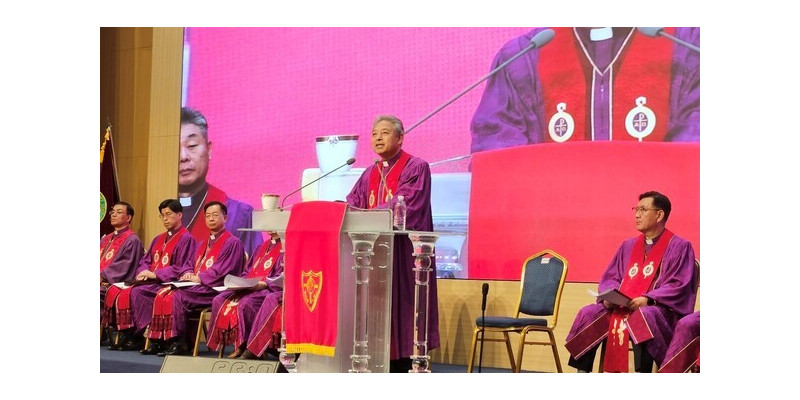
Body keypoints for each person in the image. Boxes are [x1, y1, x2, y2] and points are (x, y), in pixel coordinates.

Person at [471, 27, 700, 153]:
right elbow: (498, 162)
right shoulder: (524, 57)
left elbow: (693, 159)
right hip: (552, 222)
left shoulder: (690, 49)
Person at [564, 191, 697, 372]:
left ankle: (642, 374)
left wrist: (648, 299)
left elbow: (678, 284)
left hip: (657, 310)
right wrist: (610, 296)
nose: (637, 215)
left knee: (643, 316)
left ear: (659, 215)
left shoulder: (679, 246)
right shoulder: (628, 246)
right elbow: (611, 277)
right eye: (636, 209)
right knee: (588, 313)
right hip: (622, 306)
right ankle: (582, 373)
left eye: (643, 210)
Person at [346, 115, 440, 372]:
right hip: (370, 253)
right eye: (374, 133)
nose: (378, 137)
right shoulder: (369, 173)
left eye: (385, 132)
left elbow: (407, 205)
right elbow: (353, 203)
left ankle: (402, 361)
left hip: (403, 253)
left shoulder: (416, 167)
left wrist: (367, 215)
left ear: (400, 138)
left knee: (403, 306)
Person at [150, 201, 245, 356]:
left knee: (177, 295)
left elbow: (223, 270)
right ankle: (161, 340)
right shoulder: (203, 243)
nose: (211, 219)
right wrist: (188, 274)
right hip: (199, 287)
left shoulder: (232, 242)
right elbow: (189, 264)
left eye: (215, 215)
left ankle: (180, 342)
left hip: (216, 289)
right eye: (208, 216)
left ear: (225, 218)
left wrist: (199, 277)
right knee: (164, 292)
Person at [113, 199, 196, 352]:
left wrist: (155, 274)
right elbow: (145, 261)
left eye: (168, 214)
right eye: (162, 215)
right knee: (129, 291)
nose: (165, 218)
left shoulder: (186, 238)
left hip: (167, 283)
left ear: (179, 215)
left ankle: (159, 340)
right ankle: (135, 336)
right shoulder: (158, 238)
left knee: (140, 293)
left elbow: (182, 266)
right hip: (151, 282)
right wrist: (143, 273)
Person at [179, 106, 262, 256]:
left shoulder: (239, 214)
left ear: (209, 150)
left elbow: (253, 264)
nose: (183, 157)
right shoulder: (157, 212)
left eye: (192, 146)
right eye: (174, 149)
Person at [206, 231, 284, 358]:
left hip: (268, 289)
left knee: (246, 303)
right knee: (219, 299)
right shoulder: (262, 246)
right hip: (250, 287)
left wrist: (264, 283)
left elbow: (281, 278)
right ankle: (224, 343)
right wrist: (241, 282)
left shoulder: (285, 248)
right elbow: (247, 271)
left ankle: (245, 345)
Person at [100, 202, 144, 345]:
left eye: (119, 212)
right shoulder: (106, 238)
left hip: (115, 284)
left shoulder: (132, 240)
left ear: (128, 217)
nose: (113, 214)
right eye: (112, 212)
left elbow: (123, 267)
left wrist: (102, 276)